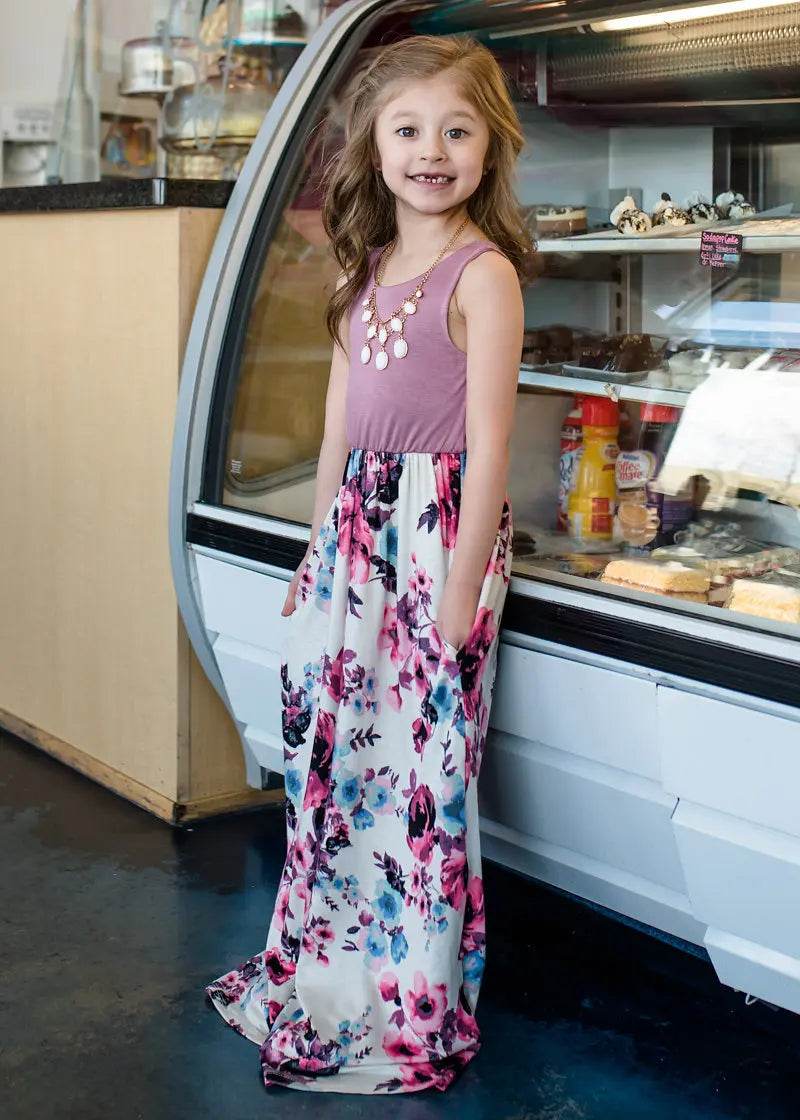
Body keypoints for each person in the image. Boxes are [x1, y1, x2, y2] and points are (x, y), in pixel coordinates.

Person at [206, 33, 530, 1095]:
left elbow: (487, 448)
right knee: (335, 763)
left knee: (421, 780)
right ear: (371, 146)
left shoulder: (481, 276)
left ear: (489, 145)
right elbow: (341, 423)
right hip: (354, 537)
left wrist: (454, 599)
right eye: (407, 129)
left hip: (437, 538)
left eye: (454, 129)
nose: (430, 150)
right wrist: (313, 551)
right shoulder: (364, 267)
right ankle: (331, 970)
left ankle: (412, 997)